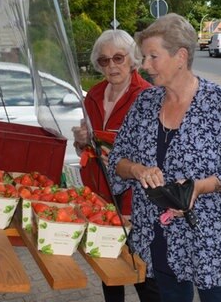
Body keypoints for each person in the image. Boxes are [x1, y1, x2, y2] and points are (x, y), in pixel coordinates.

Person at [107, 13, 221, 302]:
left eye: (153, 56)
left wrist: (198, 187)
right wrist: (138, 170)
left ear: (181, 56)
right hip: (159, 238)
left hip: (209, 239)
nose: (145, 66)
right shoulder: (145, 103)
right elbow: (117, 161)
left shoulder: (217, 103)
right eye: (144, 57)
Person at [71, 29, 160, 302]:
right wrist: (81, 140)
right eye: (104, 61)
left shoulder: (148, 96)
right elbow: (84, 145)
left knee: (142, 274)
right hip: (100, 196)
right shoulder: (94, 94)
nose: (111, 66)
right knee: (107, 269)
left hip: (134, 201)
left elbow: (158, 154)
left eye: (118, 58)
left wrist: (123, 161)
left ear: (132, 59)